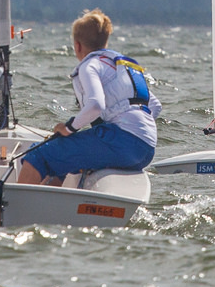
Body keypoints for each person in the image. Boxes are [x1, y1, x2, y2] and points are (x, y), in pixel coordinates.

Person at [16, 10, 158, 186]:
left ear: (77, 46)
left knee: (38, 155)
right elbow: (155, 105)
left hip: (121, 143)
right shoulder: (120, 66)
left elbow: (96, 105)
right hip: (147, 148)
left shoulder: (89, 65)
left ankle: (15, 211)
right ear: (104, 42)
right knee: (62, 159)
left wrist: (68, 128)